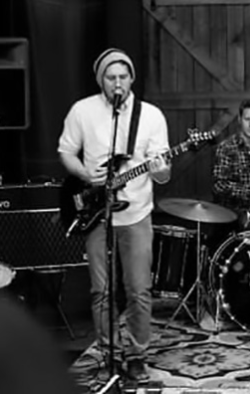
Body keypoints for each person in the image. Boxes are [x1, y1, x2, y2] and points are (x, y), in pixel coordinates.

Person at [58, 48, 171, 382]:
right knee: (101, 291)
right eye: (111, 78)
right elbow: (66, 151)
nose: (117, 83)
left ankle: (136, 355)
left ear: (131, 79)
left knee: (138, 289)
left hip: (136, 214)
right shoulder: (82, 111)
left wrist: (160, 169)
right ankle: (108, 352)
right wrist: (85, 175)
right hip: (98, 215)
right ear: (101, 81)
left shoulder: (151, 116)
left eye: (123, 77)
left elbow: (163, 173)